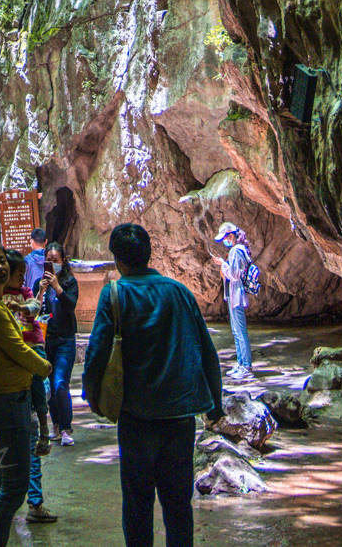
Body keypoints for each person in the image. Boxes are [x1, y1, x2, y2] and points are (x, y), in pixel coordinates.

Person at [82, 223, 223, 547]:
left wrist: (93, 397)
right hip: (178, 419)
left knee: (137, 506)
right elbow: (207, 352)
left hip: (136, 418)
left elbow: (97, 352)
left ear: (118, 259)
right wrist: (214, 403)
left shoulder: (115, 294)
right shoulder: (179, 292)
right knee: (178, 507)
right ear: (148, 254)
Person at [0, 243, 51, 547]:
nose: (0, 267)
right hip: (7, 399)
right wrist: (44, 366)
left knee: (2, 484)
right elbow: (16, 348)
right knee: (14, 489)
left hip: (4, 397)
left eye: (2, 261)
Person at [4, 250, 57, 524]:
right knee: (12, 445)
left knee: (37, 413)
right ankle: (9, 503)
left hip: (32, 353)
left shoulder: (23, 293)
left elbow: (35, 306)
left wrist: (23, 308)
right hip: (11, 374)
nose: (19, 279)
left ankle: (34, 502)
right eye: (17, 274)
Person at [35, 241, 78, 445]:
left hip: (65, 340)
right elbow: (33, 311)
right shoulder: (39, 283)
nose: (52, 264)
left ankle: (67, 427)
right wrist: (41, 291)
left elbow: (70, 306)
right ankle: (56, 427)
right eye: (48, 261)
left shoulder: (69, 282)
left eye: (55, 261)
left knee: (61, 383)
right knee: (50, 387)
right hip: (46, 340)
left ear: (63, 261)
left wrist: (57, 287)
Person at [213, 223, 254, 379]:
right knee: (236, 331)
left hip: (236, 295)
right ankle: (241, 363)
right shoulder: (239, 249)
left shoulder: (236, 251)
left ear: (231, 236)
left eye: (225, 238)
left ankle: (246, 367)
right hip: (233, 294)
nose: (224, 241)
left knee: (240, 332)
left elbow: (235, 275)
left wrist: (222, 264)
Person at [23, 227, 48, 295]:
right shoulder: (51, 260)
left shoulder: (26, 260)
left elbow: (22, 283)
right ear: (46, 241)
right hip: (48, 299)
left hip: (31, 298)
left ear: (31, 241)